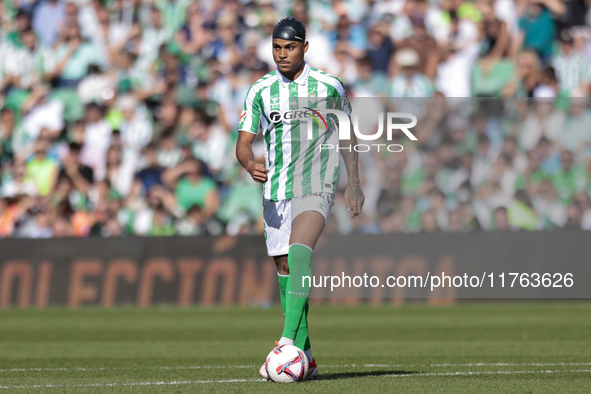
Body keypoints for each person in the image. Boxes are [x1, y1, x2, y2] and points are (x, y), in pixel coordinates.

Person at [235, 17, 364, 381]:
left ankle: (284, 342)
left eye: (289, 47)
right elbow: (243, 143)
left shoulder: (329, 86)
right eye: (276, 47)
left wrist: (353, 181)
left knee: (298, 253)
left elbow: (347, 134)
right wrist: (249, 164)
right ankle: (305, 355)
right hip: (275, 191)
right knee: (286, 271)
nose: (282, 54)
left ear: (305, 47)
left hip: (316, 185)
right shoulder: (260, 91)